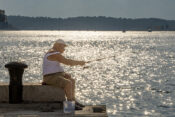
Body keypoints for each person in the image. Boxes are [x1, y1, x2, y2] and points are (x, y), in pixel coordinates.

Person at [42, 39, 86, 110]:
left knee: (72, 80)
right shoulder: (54, 54)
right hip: (49, 78)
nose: (64, 49)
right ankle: (69, 106)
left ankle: (73, 101)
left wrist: (63, 74)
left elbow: (55, 68)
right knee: (68, 83)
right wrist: (79, 62)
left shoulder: (54, 52)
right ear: (58, 46)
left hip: (55, 76)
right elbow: (67, 62)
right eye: (63, 47)